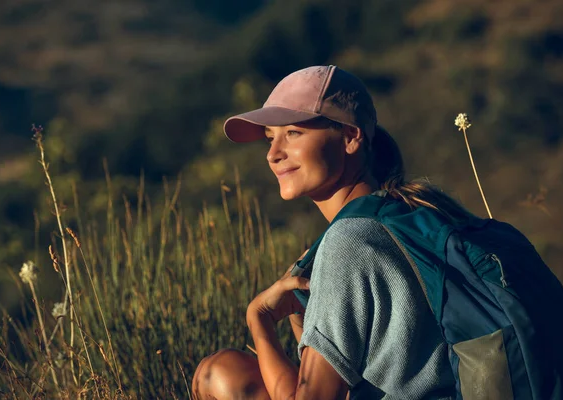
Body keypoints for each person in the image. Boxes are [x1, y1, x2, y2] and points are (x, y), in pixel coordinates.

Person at [192, 65, 471, 399]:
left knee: (214, 378)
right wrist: (303, 318)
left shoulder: (350, 242)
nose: (272, 154)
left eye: (293, 133)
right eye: (270, 138)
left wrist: (260, 319)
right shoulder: (416, 213)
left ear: (351, 137)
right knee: (226, 371)